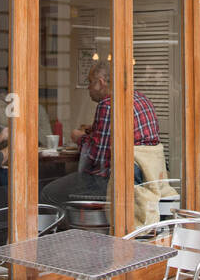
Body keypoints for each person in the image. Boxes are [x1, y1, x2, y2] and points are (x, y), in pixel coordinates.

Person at [42, 61, 160, 210]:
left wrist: (79, 138)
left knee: (49, 192)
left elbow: (96, 157)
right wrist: (95, 131)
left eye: (90, 82)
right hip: (147, 179)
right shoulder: (143, 100)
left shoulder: (108, 105)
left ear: (101, 82)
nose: (88, 87)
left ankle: (72, 231)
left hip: (114, 181)